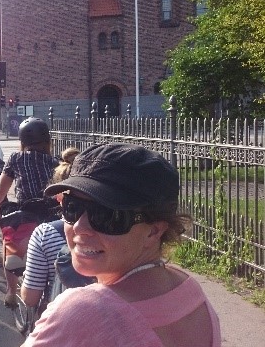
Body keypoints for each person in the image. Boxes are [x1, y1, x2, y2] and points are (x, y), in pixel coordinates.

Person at [24, 143, 221, 346]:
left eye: (106, 215)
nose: (80, 227)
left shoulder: (82, 312)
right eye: (72, 208)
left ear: (153, 231)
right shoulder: (189, 292)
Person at [0, 118, 59, 307]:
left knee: (10, 244)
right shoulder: (54, 161)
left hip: (27, 214)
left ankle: (11, 291)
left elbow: (2, 190)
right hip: (52, 215)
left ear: (22, 141)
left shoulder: (16, 159)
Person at [20, 147, 79, 311]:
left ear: (59, 196)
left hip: (60, 319)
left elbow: (30, 298)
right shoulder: (113, 234)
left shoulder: (45, 233)